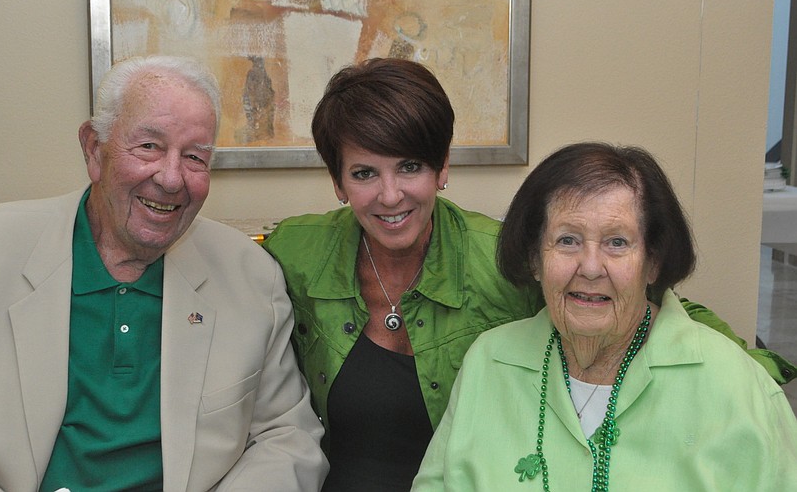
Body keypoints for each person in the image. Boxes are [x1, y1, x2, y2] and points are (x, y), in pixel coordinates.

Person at [261, 58, 795, 491]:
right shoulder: (293, 252)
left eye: (410, 166)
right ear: (337, 181)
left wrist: (742, 381)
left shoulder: (503, 260)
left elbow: (645, 307)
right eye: (363, 173)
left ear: (443, 166)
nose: (391, 194)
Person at [0, 55, 328, 491]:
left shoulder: (251, 276)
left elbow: (286, 437)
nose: (170, 178)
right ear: (94, 150)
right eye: (148, 146)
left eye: (194, 157)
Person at [412, 142, 797, 490]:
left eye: (617, 242)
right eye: (568, 240)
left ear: (653, 263)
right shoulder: (490, 363)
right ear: (534, 260)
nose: (591, 267)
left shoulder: (735, 385)